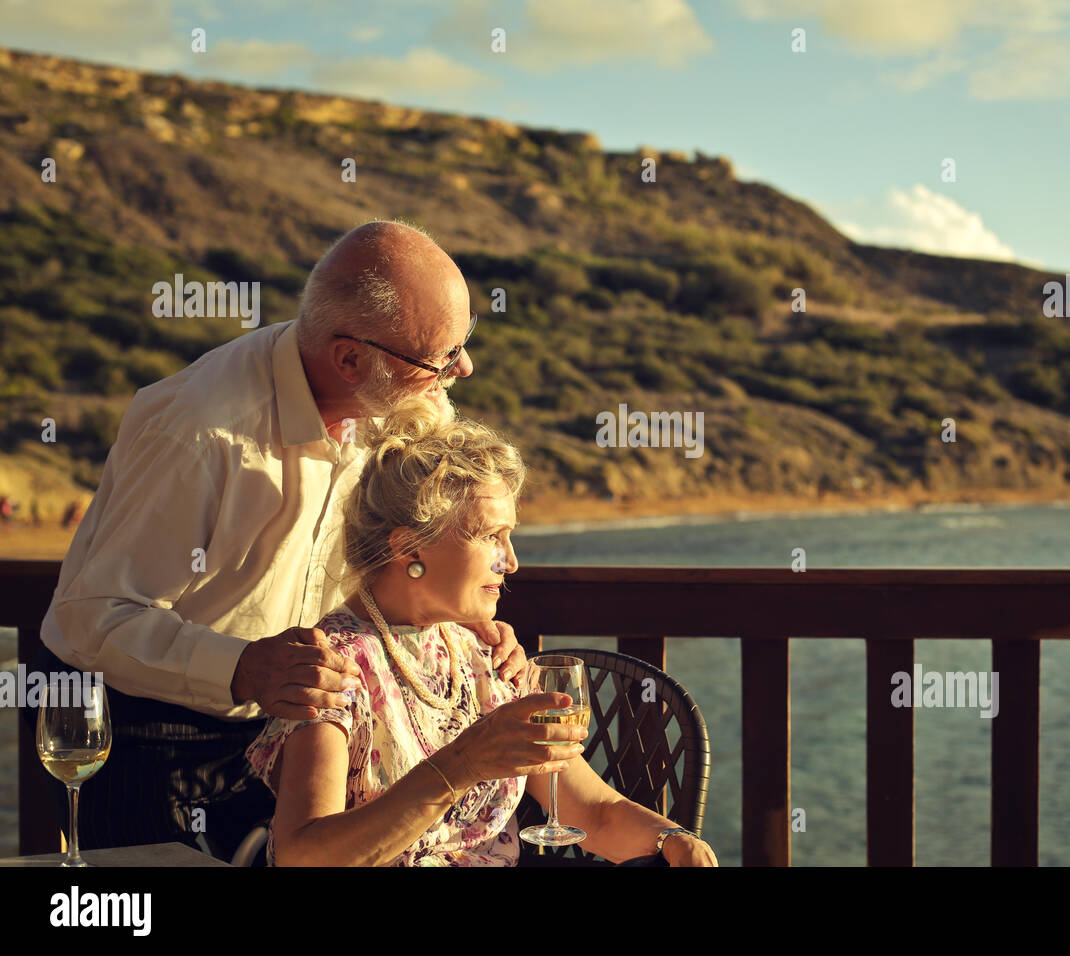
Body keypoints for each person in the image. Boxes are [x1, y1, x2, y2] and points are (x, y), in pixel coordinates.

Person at [31, 220, 526, 860]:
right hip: (145, 726)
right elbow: (90, 616)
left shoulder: (406, 397)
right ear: (349, 358)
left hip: (288, 723)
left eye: (465, 342)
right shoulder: (201, 431)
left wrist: (464, 629)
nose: (463, 368)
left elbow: (424, 537)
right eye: (440, 357)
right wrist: (243, 667)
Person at [246, 410, 718, 866]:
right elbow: (304, 858)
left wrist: (674, 840)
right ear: (409, 547)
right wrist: (464, 763)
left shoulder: (481, 655)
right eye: (491, 536)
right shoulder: (333, 668)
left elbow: (591, 812)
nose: (509, 562)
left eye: (508, 537)